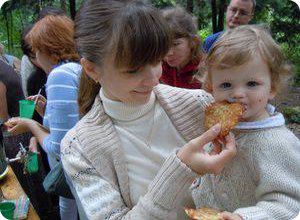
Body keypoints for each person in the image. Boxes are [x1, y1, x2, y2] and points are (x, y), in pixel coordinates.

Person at [60, 1, 236, 219]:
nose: (154, 79)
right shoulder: (79, 148)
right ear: (91, 69)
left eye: (157, 61)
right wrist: (180, 170)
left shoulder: (200, 105)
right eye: (133, 70)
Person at [193, 25, 300, 220]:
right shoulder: (220, 128)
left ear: (272, 87)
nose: (238, 94)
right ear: (210, 88)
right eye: (226, 85)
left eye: (252, 84)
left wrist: (246, 217)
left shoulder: (277, 144)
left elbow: (289, 202)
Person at [6, 15, 81, 220]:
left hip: (72, 172)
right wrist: (45, 111)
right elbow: (73, 126)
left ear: (48, 49)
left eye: (37, 50)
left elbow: (60, 147)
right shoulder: (75, 68)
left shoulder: (59, 75)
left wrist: (29, 124)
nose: (36, 57)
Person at [160, 6, 203, 89]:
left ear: (193, 42)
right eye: (163, 45)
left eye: (175, 44)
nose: (168, 53)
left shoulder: (204, 70)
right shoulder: (159, 67)